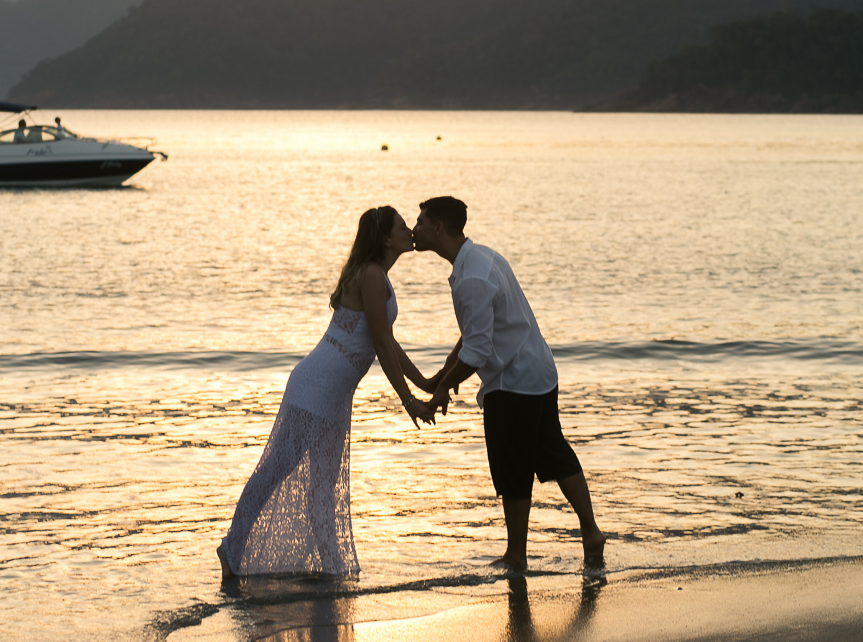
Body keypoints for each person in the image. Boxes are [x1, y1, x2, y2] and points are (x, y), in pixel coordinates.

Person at [218, 207, 435, 579]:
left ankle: (332, 567)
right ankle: (232, 548)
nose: (410, 231)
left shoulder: (377, 274)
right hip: (314, 390)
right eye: (403, 227)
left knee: (322, 487)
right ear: (386, 238)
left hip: (331, 396)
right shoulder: (372, 275)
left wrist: (424, 384)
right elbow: (381, 345)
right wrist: (409, 400)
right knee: (274, 472)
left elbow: (388, 341)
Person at [411, 196, 606, 571]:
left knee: (514, 469)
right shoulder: (483, 258)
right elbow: (475, 333)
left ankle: (516, 555)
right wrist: (442, 376)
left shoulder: (471, 277)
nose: (414, 228)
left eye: (420, 222)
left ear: (438, 227)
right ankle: (591, 532)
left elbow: (477, 350)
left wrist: (441, 389)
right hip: (538, 371)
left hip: (513, 381)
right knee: (554, 453)